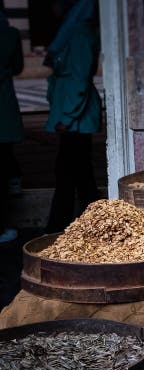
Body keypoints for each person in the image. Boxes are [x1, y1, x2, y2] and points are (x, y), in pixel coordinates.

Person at [45, 0, 101, 233]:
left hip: (75, 117)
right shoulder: (76, 32)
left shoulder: (78, 34)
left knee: (69, 173)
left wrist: (67, 117)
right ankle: (94, 224)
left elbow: (79, 80)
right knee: (79, 173)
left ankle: (59, 226)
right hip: (73, 115)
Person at [0, 1, 23, 243]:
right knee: (5, 153)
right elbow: (17, 67)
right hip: (4, 102)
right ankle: (14, 177)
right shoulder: (11, 34)